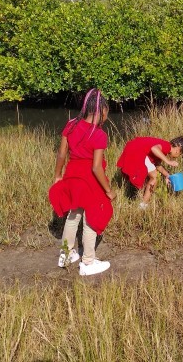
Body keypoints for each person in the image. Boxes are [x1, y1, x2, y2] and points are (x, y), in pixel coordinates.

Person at [49, 89, 117, 276]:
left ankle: (66, 253)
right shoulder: (99, 134)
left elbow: (61, 153)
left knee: (73, 215)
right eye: (106, 112)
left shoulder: (71, 125)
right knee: (91, 220)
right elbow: (96, 168)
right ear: (101, 110)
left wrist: (57, 175)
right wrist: (109, 190)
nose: (106, 116)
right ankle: (87, 262)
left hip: (72, 176)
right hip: (90, 182)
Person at [117, 136, 183, 209]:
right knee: (154, 177)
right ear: (177, 150)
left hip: (132, 147)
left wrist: (168, 175)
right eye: (180, 154)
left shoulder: (163, 148)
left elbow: (157, 165)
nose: (177, 156)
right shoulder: (167, 146)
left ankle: (139, 200)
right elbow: (154, 148)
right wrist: (168, 161)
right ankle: (143, 205)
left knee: (152, 176)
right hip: (138, 150)